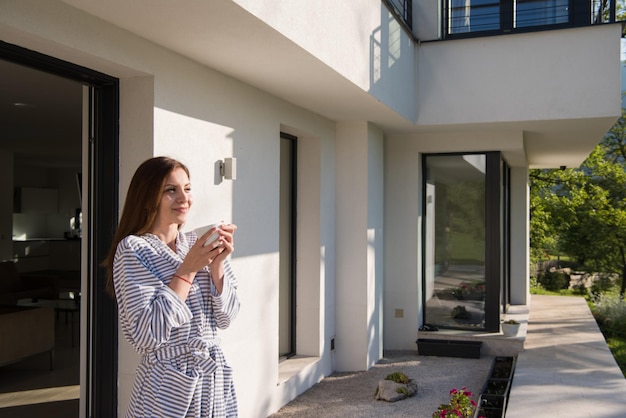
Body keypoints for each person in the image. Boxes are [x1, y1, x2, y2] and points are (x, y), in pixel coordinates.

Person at [102, 156, 240, 417]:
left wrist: (217, 265)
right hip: (166, 386)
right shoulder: (134, 249)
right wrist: (188, 269)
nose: (183, 198)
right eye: (170, 190)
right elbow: (146, 334)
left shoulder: (197, 243)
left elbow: (226, 318)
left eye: (187, 189)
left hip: (212, 380)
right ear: (146, 197)